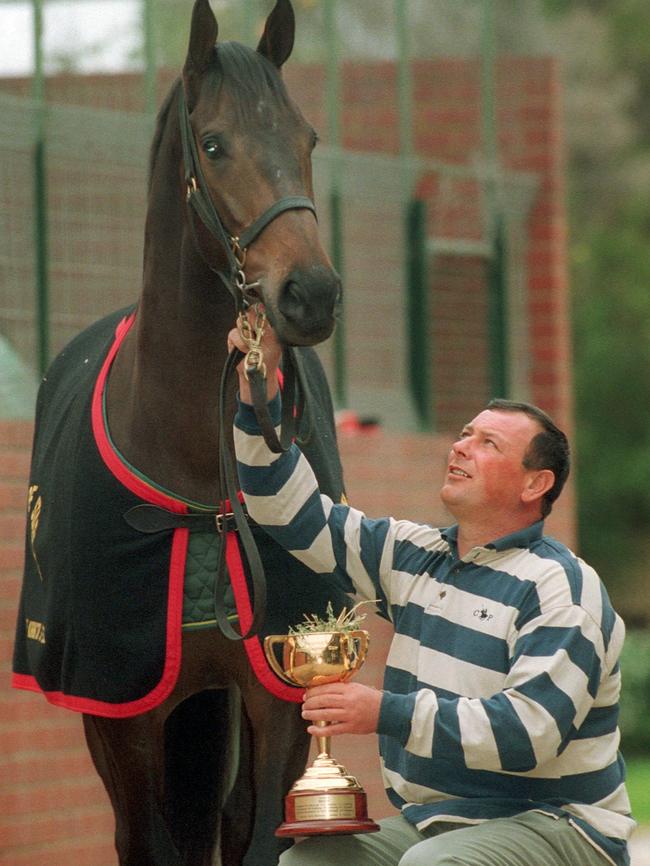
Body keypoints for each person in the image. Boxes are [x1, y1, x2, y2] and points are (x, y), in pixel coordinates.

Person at [228, 320, 635, 866]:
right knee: (307, 861)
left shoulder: (563, 587)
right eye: (464, 434)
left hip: (560, 825)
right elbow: (288, 513)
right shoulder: (413, 554)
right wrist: (261, 400)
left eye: (487, 443)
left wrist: (385, 712)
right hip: (438, 825)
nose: (461, 447)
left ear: (534, 484)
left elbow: (528, 735)